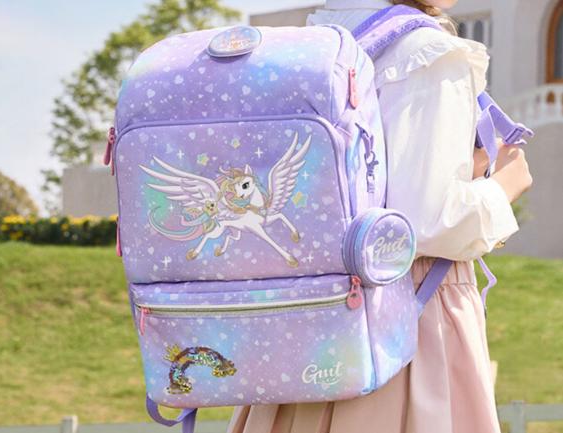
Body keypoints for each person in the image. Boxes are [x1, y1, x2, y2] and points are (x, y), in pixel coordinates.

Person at [227, 0, 533, 432]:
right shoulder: (425, 52)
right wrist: (503, 188)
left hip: (305, 329)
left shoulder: (315, 42)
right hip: (405, 326)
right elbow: (426, 221)